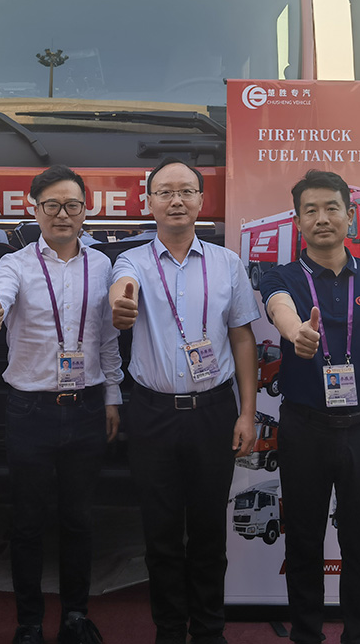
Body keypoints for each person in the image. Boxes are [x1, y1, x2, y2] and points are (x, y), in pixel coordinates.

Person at [109, 158, 259, 644]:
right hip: (152, 414)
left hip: (213, 413)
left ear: (201, 200)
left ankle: (210, 630)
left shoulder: (227, 263)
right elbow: (122, 289)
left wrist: (247, 412)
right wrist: (121, 304)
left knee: (209, 532)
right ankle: (170, 630)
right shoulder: (132, 261)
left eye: (186, 191)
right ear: (148, 202)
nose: (176, 200)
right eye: (165, 192)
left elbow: (242, 338)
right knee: (161, 534)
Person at [258, 170, 360, 644]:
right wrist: (296, 333)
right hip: (305, 428)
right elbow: (280, 307)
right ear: (298, 221)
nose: (322, 218)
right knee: (303, 541)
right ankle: (306, 634)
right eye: (310, 210)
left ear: (349, 215)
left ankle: (359, 635)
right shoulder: (281, 276)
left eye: (331, 208)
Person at [0, 165, 123, 644]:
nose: (63, 214)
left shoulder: (102, 266)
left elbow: (106, 340)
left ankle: (76, 616)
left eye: (72, 205)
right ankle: (30, 623)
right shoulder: (16, 265)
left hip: (87, 408)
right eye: (52, 205)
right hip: (30, 412)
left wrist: (113, 396)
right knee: (28, 522)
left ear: (86, 210)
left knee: (79, 519)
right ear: (34, 209)